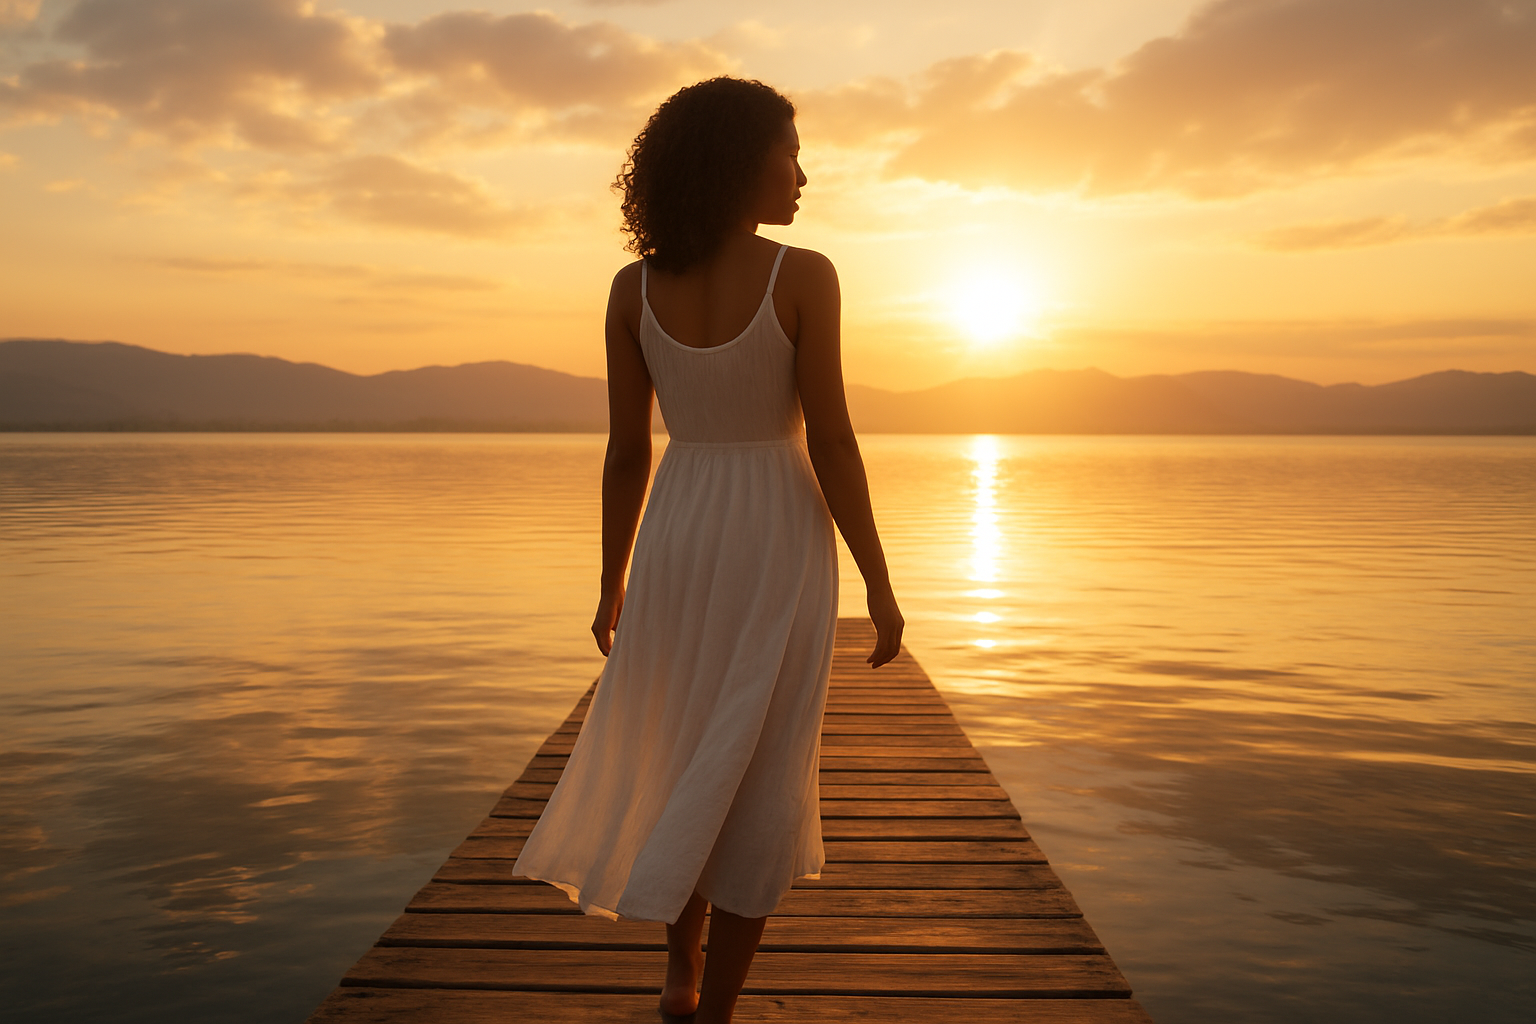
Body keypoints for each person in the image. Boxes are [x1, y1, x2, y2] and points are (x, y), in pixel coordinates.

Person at [512, 76, 904, 1023]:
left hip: (679, 533)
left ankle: (678, 976)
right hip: (775, 532)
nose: (804, 176)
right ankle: (717, 1006)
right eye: (789, 153)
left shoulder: (631, 287)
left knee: (687, 746)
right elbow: (834, 441)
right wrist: (880, 584)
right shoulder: (804, 274)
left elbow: (625, 450)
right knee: (761, 768)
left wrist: (612, 581)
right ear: (741, 163)